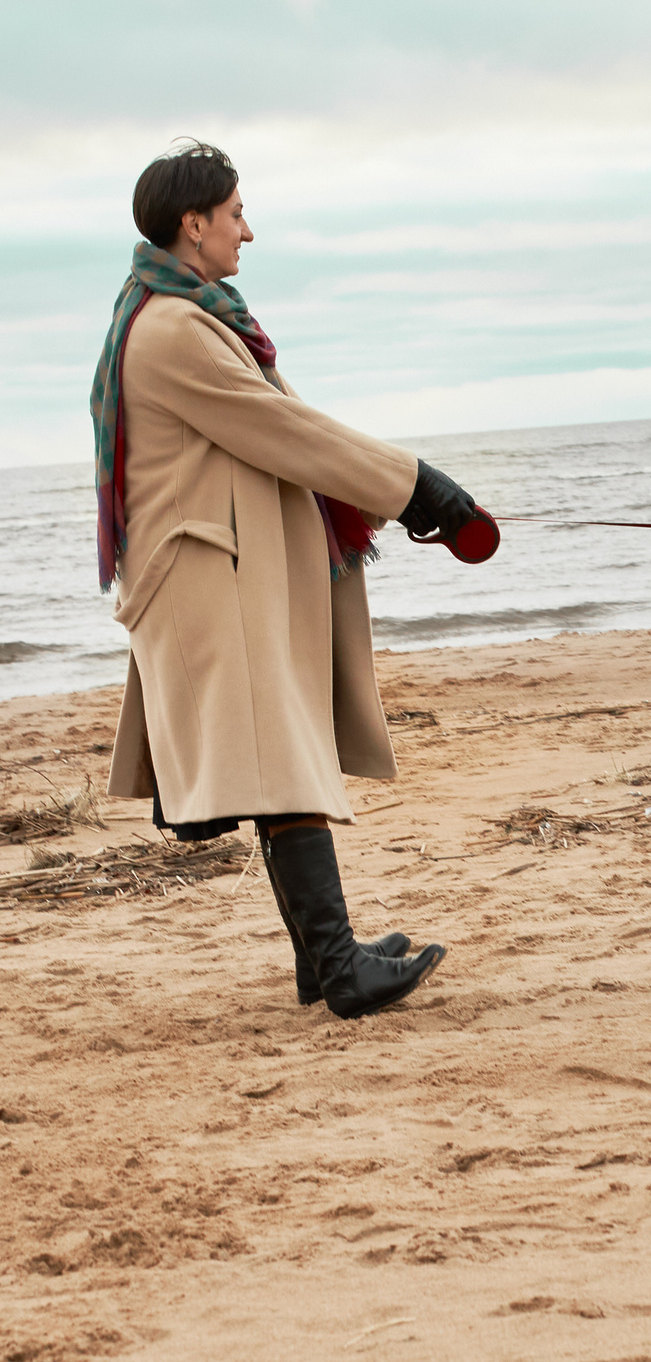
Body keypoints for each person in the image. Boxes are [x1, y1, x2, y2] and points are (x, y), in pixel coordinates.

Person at [92, 141, 492, 1018]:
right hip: (207, 579)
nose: (247, 229)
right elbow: (285, 430)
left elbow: (287, 426)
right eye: (236, 213)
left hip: (216, 572)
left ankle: (323, 960)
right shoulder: (173, 330)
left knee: (276, 762)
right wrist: (414, 482)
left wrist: (404, 484)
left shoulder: (187, 315)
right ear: (192, 225)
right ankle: (342, 969)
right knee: (277, 763)